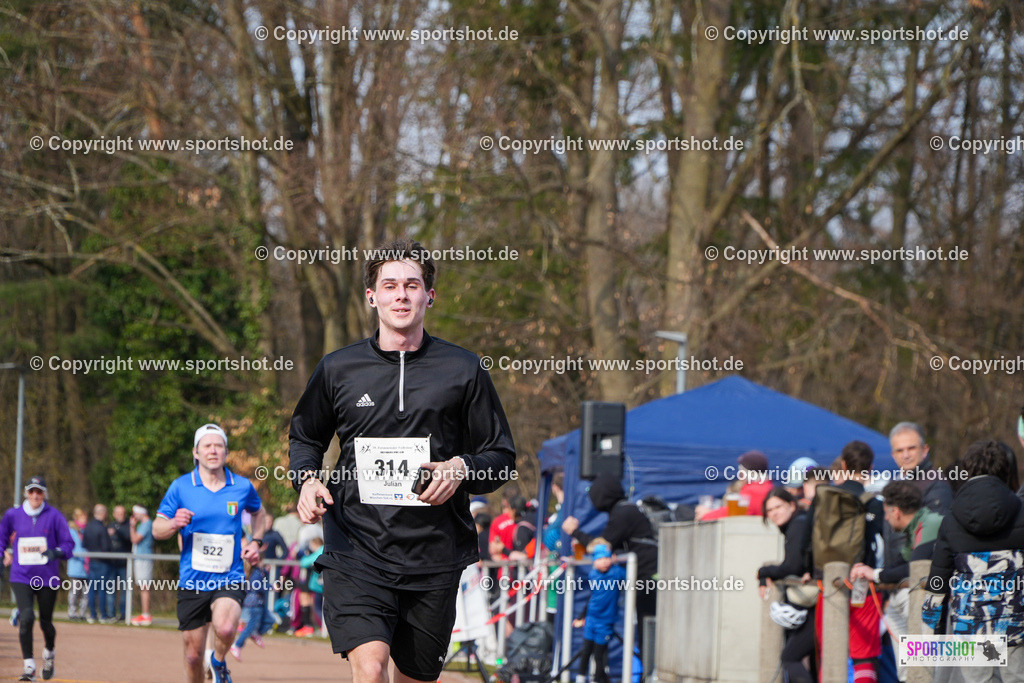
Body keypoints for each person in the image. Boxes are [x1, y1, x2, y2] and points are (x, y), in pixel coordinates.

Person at [288, 239, 517, 683]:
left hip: (433, 555)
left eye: (412, 285)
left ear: (429, 296)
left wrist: (460, 468)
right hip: (356, 549)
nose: (401, 295)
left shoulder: (463, 369)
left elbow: (501, 457)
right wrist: (306, 480)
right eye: (389, 285)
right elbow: (305, 436)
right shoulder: (339, 369)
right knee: (370, 670)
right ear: (372, 296)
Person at [153, 423, 268, 683]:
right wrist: (172, 523)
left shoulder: (241, 486)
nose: (213, 450)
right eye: (207, 445)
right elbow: (156, 528)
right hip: (192, 580)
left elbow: (259, 514)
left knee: (226, 627)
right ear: (196, 452)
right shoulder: (181, 487)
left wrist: (256, 542)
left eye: (218, 446)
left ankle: (217, 661)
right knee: (193, 656)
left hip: (230, 575)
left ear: (226, 452)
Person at [923, 440, 1024, 682]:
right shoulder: (1021, 511)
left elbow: (938, 580)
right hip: (1015, 623)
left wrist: (929, 635)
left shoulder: (951, 518)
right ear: (1005, 469)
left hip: (970, 625)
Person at [851, 481, 941, 682]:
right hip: (916, 597)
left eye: (887, 513)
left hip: (929, 598)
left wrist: (875, 575)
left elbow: (914, 566)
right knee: (907, 663)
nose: (887, 518)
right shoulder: (920, 523)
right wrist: (873, 572)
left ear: (896, 511)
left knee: (926, 662)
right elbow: (904, 561)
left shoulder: (929, 524)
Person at [562, 473, 658, 657]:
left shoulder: (623, 513)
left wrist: (575, 531)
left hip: (648, 580)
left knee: (648, 632)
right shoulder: (623, 510)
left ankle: (649, 673)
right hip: (645, 579)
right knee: (645, 631)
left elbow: (600, 547)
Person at [813, 441, 884, 683]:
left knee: (830, 651)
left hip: (827, 583)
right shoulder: (874, 503)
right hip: (862, 583)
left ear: (843, 465)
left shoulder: (825, 497)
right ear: (871, 468)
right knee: (863, 653)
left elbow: (807, 540)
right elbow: (879, 545)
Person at [0, 476, 75, 681]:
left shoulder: (55, 516)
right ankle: (29, 667)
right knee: (26, 617)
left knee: (46, 623)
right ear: (26, 492)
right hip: (21, 575)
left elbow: (69, 544)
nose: (35, 495)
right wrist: (3, 552)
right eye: (31, 491)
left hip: (47, 578)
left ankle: (49, 653)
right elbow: (1, 537)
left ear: (44, 494)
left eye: (39, 492)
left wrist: (57, 552)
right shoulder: (13, 515)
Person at [757, 488, 815, 683]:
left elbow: (792, 566)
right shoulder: (798, 523)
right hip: (822, 599)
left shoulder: (797, 525)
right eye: (769, 510)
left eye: (778, 507)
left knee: (790, 656)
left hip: (828, 599)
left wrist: (763, 572)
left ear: (791, 505)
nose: (774, 513)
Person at [571, 543, 626, 683]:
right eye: (601, 559)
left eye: (607, 558)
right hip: (591, 619)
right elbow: (591, 598)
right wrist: (581, 617)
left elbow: (627, 572)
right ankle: (580, 678)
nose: (605, 561)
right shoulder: (593, 574)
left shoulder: (616, 573)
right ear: (594, 561)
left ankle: (598, 679)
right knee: (586, 652)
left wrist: (616, 559)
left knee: (599, 655)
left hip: (605, 621)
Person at [699, 450, 775, 520]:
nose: (739, 475)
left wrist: (707, 514)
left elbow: (735, 513)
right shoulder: (767, 486)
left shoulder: (753, 491)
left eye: (741, 471)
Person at [229, 559, 275, 660]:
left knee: (270, 620)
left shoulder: (257, 572)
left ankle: (255, 633)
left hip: (258, 603)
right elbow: (256, 586)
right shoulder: (256, 572)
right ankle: (237, 645)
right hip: (255, 603)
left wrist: (266, 571)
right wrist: (272, 587)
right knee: (251, 626)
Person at [82, 503, 112, 623]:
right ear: (103, 513)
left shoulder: (88, 527)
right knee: (102, 589)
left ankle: (93, 614)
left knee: (92, 589)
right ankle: (103, 615)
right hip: (102, 562)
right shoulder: (102, 528)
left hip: (92, 561)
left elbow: (84, 544)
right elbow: (106, 547)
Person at [129, 505, 154, 626]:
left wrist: (132, 526)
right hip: (141, 559)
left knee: (144, 587)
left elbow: (134, 539)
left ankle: (146, 615)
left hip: (143, 559)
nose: (134, 516)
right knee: (143, 587)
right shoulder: (145, 524)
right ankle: (144, 614)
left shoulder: (146, 524)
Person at [108, 505, 131, 621]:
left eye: (122, 513)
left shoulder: (128, 525)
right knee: (110, 589)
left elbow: (129, 537)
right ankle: (111, 613)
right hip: (112, 564)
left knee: (124, 590)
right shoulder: (110, 525)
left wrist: (117, 531)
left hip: (124, 564)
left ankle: (123, 614)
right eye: (118, 513)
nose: (120, 516)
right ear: (114, 514)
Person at [66, 508, 89, 622]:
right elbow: (72, 546)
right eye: (82, 517)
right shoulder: (71, 530)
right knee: (75, 591)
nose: (84, 519)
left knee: (86, 593)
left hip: (87, 566)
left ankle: (83, 613)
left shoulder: (87, 531)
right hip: (76, 566)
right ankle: (72, 612)